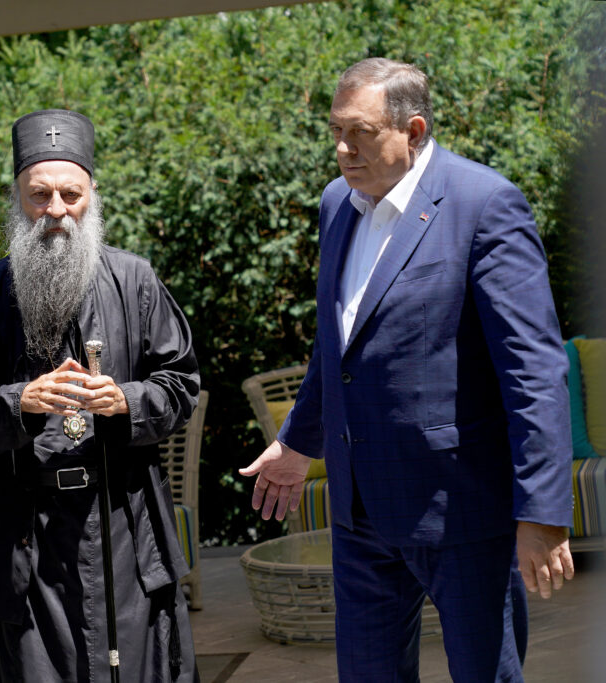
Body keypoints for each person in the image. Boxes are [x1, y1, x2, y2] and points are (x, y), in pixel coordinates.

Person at [240, 58, 575, 681]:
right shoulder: (337, 203)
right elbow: (337, 343)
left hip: (461, 509)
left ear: (413, 129)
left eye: (360, 132)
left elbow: (533, 372)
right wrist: (297, 442)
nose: (342, 148)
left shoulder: (485, 204)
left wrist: (542, 513)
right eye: (335, 130)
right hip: (359, 508)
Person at [0, 109, 200, 682]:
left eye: (70, 195)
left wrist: (125, 400)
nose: (55, 211)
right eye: (39, 195)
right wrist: (18, 402)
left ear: (91, 195)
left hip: (123, 529)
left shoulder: (135, 282)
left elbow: (181, 385)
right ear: (17, 198)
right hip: (26, 543)